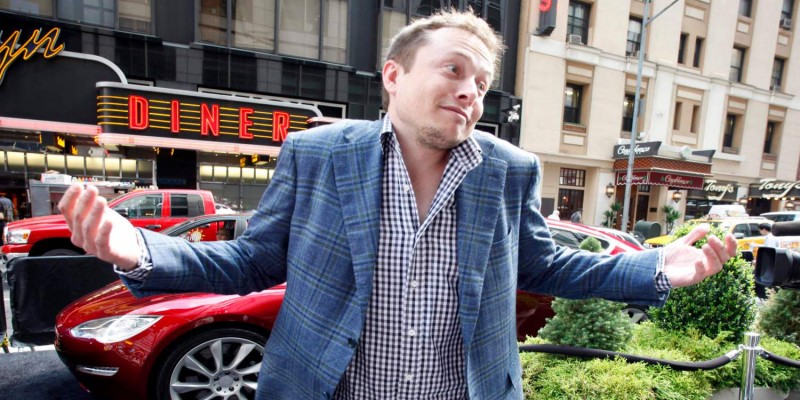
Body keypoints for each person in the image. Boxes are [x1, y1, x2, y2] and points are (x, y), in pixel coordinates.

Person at [58, 9, 737, 399]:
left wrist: (651, 268)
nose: (471, 89)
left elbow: (548, 265)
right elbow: (250, 261)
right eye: (453, 69)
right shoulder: (320, 153)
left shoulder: (509, 170)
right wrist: (139, 249)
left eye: (482, 80)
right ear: (394, 75)